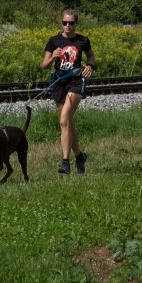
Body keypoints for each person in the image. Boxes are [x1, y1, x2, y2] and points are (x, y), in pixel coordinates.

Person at [41, 9, 95, 175]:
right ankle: (79, 156)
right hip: (59, 82)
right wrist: (53, 57)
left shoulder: (83, 40)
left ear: (76, 23)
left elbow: (91, 56)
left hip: (75, 82)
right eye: (64, 23)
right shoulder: (54, 40)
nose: (67, 26)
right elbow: (44, 65)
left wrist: (90, 65)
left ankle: (65, 162)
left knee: (64, 120)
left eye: (71, 23)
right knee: (68, 123)